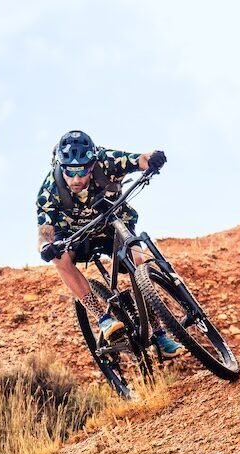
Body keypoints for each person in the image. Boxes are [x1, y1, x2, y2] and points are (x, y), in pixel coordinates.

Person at [35, 130, 183, 356]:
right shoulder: (49, 189)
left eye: (83, 171)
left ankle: (159, 333)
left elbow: (138, 159)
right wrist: (46, 247)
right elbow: (44, 232)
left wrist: (153, 157)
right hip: (77, 234)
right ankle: (103, 319)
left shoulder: (106, 160)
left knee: (138, 261)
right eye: (70, 172)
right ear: (60, 166)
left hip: (112, 224)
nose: (77, 179)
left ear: (92, 163)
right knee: (59, 258)